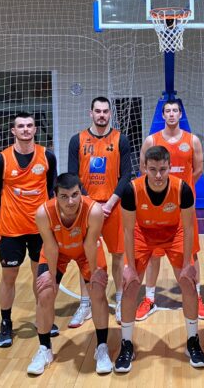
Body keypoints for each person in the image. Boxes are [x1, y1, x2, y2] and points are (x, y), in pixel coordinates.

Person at [115, 146, 204, 373]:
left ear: (170, 167)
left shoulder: (182, 188)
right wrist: (129, 266)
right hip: (142, 234)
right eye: (152, 169)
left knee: (188, 282)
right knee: (130, 285)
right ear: (144, 168)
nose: (157, 175)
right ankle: (126, 344)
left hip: (174, 233)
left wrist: (188, 264)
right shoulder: (131, 190)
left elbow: (188, 228)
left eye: (163, 169)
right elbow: (127, 230)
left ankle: (192, 340)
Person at [28, 173, 113, 376]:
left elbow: (90, 244)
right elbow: (50, 247)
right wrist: (50, 277)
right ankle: (44, 349)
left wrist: (94, 273)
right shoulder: (43, 213)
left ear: (80, 192)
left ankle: (102, 347)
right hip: (57, 251)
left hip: (86, 251)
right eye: (64, 196)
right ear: (55, 195)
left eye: (75, 195)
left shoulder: (94, 210)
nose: (71, 201)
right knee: (45, 293)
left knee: (97, 292)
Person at [0, 112, 58, 348]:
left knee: (41, 275)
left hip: (40, 229)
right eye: (21, 126)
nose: (26, 129)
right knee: (9, 276)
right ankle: (5, 323)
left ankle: (43, 317)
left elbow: (52, 189)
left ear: (35, 129)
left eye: (29, 125)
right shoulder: (1, 159)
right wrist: (12, 211)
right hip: (11, 229)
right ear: (13, 131)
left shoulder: (47, 156)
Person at [137, 98, 204, 320]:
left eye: (175, 110)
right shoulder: (151, 140)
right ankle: (149, 299)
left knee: (192, 252)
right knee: (153, 253)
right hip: (157, 205)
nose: (171, 114)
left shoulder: (192, 140)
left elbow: (198, 170)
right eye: (167, 110)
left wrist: (180, 189)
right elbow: (143, 168)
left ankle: (196, 296)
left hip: (184, 206)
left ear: (180, 114)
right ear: (162, 115)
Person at [67, 96, 131, 327]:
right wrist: (90, 204)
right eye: (98, 111)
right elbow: (72, 175)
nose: (101, 115)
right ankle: (85, 304)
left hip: (113, 206)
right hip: (86, 208)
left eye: (105, 111)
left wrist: (110, 203)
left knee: (118, 255)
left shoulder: (121, 139)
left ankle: (121, 301)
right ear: (91, 113)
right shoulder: (77, 140)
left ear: (110, 113)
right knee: (86, 257)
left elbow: (126, 175)